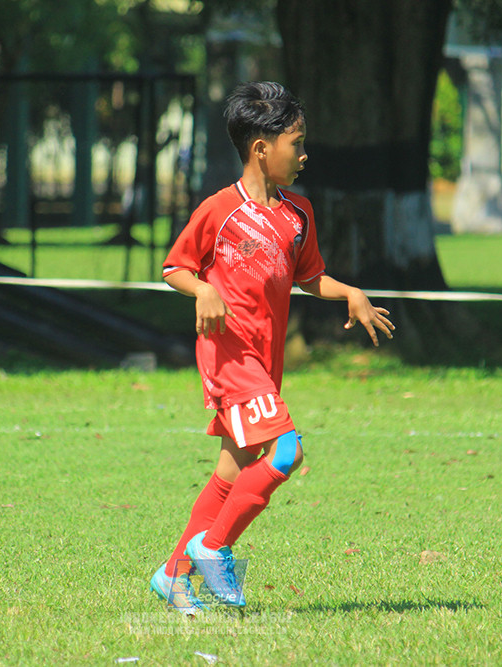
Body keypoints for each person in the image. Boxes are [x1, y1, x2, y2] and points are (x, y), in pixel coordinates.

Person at [150, 81, 395, 614]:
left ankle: (174, 575)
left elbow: (310, 278)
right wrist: (205, 288)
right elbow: (175, 267)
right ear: (261, 147)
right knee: (287, 451)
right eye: (296, 142)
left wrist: (349, 292)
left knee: (233, 470)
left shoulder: (297, 213)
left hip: (265, 359)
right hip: (230, 356)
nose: (305, 155)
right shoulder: (220, 211)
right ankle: (213, 548)